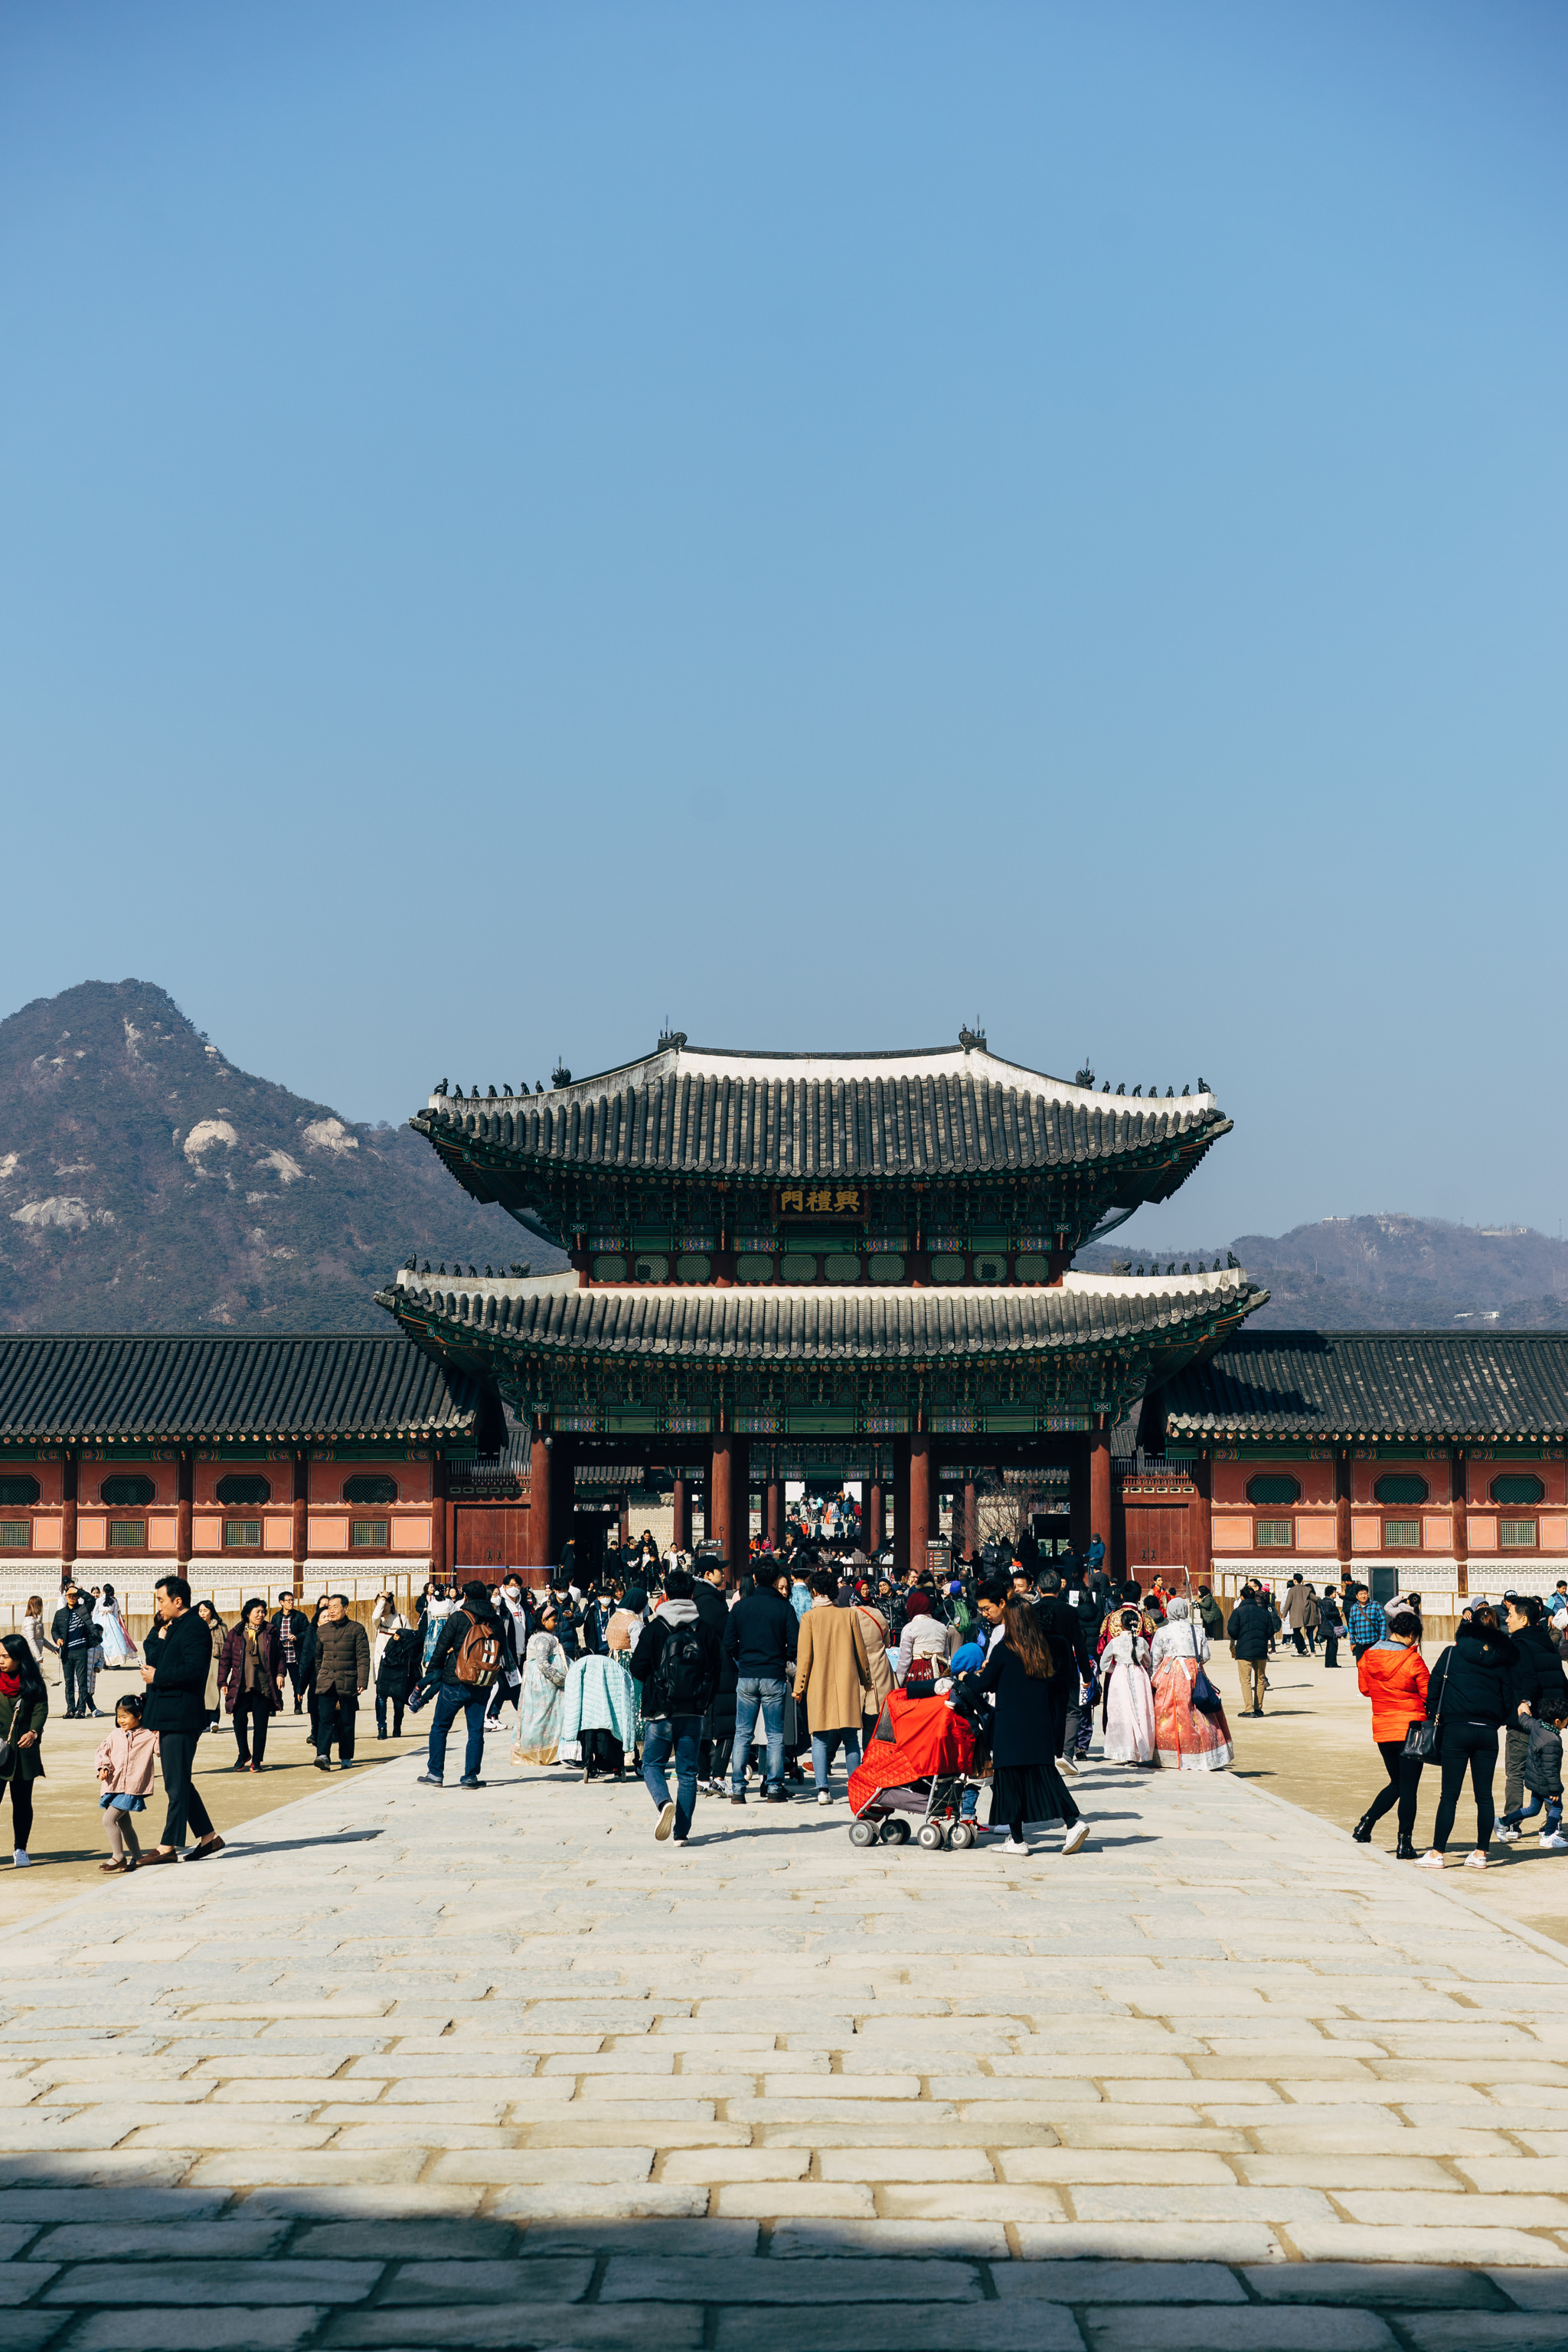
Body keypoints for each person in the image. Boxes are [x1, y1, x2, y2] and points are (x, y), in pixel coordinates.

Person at [967, 1596, 1089, 1856]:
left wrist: (967, 1676)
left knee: (1010, 1779)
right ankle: (1073, 1822)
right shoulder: (1041, 1648)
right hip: (1039, 1724)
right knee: (1045, 1776)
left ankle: (1017, 1840)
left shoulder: (1004, 1649)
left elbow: (984, 1684)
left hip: (1011, 1726)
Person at [1416, 1602, 1517, 1870]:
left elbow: (1434, 1689)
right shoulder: (1501, 1660)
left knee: (1449, 1794)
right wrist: (1496, 1721)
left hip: (1456, 1728)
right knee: (1484, 1795)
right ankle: (1481, 1853)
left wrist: (1436, 1716)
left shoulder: (1452, 1653)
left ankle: (1437, 1853)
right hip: (1486, 1732)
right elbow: (1509, 1699)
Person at [629, 1566, 723, 1843]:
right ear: (691, 1593)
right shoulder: (703, 1628)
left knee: (652, 1765)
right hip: (693, 1711)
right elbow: (717, 1669)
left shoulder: (655, 1627)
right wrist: (705, 1702)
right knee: (687, 1773)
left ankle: (662, 1803)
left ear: (666, 1594)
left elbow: (637, 1667)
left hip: (661, 1710)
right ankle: (681, 1832)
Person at [137, 1576, 224, 1865]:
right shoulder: (171, 1626)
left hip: (182, 1715)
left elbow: (194, 1670)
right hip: (167, 1714)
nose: (158, 1605)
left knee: (175, 1784)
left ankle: (168, 1845)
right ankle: (209, 1837)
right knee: (180, 1782)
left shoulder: (195, 1628)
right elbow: (155, 1655)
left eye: (161, 1600)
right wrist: (159, 1636)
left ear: (178, 1601)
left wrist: (158, 1677)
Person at [1353, 1606, 1429, 1857]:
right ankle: (1404, 1843)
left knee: (1397, 1783)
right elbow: (1429, 1694)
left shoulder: (1368, 1656)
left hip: (1384, 1727)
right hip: (1411, 1729)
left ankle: (1366, 1824)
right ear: (1411, 1634)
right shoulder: (1412, 1659)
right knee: (1408, 1788)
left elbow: (1365, 1689)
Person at [792, 1567, 873, 1805]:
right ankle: (855, 1788)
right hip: (847, 1684)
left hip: (819, 1684)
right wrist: (866, 1680)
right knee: (850, 1738)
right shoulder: (849, 1615)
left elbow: (804, 1657)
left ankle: (823, 1790)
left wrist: (799, 1687)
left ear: (814, 1591)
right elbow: (861, 1653)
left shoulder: (809, 1618)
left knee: (820, 1738)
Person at [724, 1560, 797, 1803]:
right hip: (773, 1674)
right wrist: (781, 1658)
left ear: (754, 1579)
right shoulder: (784, 1608)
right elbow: (795, 1644)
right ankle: (775, 1788)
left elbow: (728, 1642)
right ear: (777, 1580)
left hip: (746, 1673)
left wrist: (741, 1659)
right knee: (775, 1734)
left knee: (743, 1733)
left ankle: (738, 1789)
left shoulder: (741, 1607)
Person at [415, 1580, 501, 1789]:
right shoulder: (495, 1620)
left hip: (455, 1679)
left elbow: (442, 1645)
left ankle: (435, 1773)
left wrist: (432, 1672)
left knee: (440, 1727)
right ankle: (470, 1777)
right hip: (482, 1682)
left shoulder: (459, 1617)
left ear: (466, 1597)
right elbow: (502, 1649)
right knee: (475, 1731)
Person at [1498, 1596, 1567, 1835]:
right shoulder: (1547, 1641)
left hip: (1525, 1719)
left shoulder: (1518, 1643)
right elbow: (1559, 1678)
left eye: (1511, 1616)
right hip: (1549, 1721)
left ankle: (1512, 1824)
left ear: (1524, 1619)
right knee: (1548, 1771)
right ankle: (1553, 1824)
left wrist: (1525, 1701)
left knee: (1516, 1771)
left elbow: (1528, 1676)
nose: (1507, 1620)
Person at [1150, 1597, 1233, 1770]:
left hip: (1170, 1672)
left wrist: (1155, 1677)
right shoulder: (1197, 1630)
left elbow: (1155, 1658)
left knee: (1167, 1712)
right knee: (1199, 1713)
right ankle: (1201, 1754)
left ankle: (1169, 1755)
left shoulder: (1163, 1632)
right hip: (1193, 1672)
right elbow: (1205, 1655)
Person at [95, 1690, 158, 1873]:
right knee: (125, 1824)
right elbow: (102, 1752)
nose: (121, 1720)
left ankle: (118, 1857)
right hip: (113, 1786)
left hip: (132, 1787)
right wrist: (103, 1768)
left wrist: (159, 1732)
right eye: (118, 1716)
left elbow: (161, 1750)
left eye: (125, 1716)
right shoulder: (115, 1735)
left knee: (109, 1820)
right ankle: (138, 1857)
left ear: (139, 1716)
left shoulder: (149, 1735)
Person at [218, 1598, 283, 1772]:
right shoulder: (236, 1633)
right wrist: (223, 1681)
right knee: (239, 1721)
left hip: (263, 1685)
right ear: (248, 1614)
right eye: (258, 1612)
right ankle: (244, 1753)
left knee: (261, 1726)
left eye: (263, 1612)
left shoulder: (271, 1632)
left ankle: (257, 1760)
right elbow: (225, 1659)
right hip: (240, 1685)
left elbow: (280, 1655)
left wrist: (280, 1674)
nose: (261, 1615)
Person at [0, 1632, 47, 1867]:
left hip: (23, 1751)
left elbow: (41, 1708)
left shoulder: (32, 1681)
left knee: (22, 1803)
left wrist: (34, 1732)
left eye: (6, 1656)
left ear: (19, 1658)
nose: (1, 1660)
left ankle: (21, 1849)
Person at [310, 1594, 370, 1772]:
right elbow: (319, 1658)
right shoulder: (322, 1630)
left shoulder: (356, 1629)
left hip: (348, 1680)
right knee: (325, 1719)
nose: (331, 1610)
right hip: (327, 1681)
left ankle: (345, 1756)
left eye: (335, 1607)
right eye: (329, 1607)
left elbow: (363, 1656)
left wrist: (362, 1680)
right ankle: (323, 1755)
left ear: (346, 1608)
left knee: (346, 1721)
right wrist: (322, 1675)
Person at [512, 1603, 570, 1766]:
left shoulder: (542, 1636)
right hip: (544, 1683)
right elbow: (543, 1662)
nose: (556, 1623)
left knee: (546, 1717)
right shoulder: (543, 1639)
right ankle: (544, 1753)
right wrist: (559, 1679)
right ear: (544, 1621)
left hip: (542, 1681)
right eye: (553, 1620)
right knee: (544, 1717)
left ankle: (549, 1753)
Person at [1101, 1607, 1158, 1764]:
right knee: (1140, 1712)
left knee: (1122, 1714)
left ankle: (1126, 1750)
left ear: (1121, 1624)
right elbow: (1148, 1662)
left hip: (1120, 1678)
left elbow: (1103, 1665)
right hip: (1139, 1676)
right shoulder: (1142, 1642)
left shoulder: (1115, 1642)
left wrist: (1117, 1669)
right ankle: (1139, 1749)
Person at [1227, 1583, 1275, 1717]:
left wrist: (1238, 1637)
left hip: (1244, 1650)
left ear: (1242, 1598)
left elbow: (1232, 1631)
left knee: (1245, 1681)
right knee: (1260, 1680)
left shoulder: (1238, 1612)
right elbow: (1270, 1631)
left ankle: (1249, 1709)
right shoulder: (1264, 1612)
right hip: (1261, 1650)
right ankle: (1258, 1709)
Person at [51, 1586, 98, 1719]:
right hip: (66, 1652)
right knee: (69, 1682)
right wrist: (57, 1639)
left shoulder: (83, 1609)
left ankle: (81, 1709)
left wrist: (78, 1590)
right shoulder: (60, 1613)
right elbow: (54, 1630)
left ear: (77, 1597)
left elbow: (91, 1600)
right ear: (65, 1597)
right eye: (69, 1596)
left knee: (82, 1682)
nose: (71, 1598)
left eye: (74, 1596)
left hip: (80, 1650)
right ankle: (71, 1709)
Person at [375, 1618, 422, 1740]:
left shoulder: (401, 1619)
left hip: (395, 1667)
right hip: (386, 1666)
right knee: (386, 1699)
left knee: (395, 1702)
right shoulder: (379, 1620)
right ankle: (385, 1728)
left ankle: (391, 1728)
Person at [270, 1591, 310, 1714]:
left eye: (292, 1600)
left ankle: (298, 1706)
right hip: (280, 1655)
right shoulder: (276, 1617)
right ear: (281, 1602)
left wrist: (296, 1637)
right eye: (288, 1600)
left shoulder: (300, 1616)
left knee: (297, 1682)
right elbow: (272, 1633)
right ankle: (275, 1705)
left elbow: (307, 1631)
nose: (291, 1602)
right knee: (275, 1682)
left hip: (294, 1655)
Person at [195, 1602, 227, 1733]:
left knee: (213, 1691)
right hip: (199, 1661)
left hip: (215, 1660)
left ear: (211, 1612)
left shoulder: (221, 1627)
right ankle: (204, 1722)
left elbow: (227, 1645)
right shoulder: (195, 1626)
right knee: (201, 1692)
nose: (202, 1613)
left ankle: (214, 1720)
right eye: (200, 1611)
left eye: (205, 1610)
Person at [1348, 1586, 1387, 1662]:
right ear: (1356, 1596)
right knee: (1361, 1667)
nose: (1363, 1596)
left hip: (1374, 1642)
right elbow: (1351, 1625)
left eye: (1365, 1593)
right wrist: (1352, 1642)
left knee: (1374, 1667)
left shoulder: (1376, 1605)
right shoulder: (1354, 1608)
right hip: (1360, 1643)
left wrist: (1382, 1638)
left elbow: (1383, 1621)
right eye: (1361, 1594)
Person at [1283, 1576, 1314, 1656]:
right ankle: (1303, 1649)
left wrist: (1284, 1614)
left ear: (1295, 1580)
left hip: (1295, 1614)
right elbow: (1314, 1598)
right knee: (1298, 1632)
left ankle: (1301, 1650)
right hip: (1306, 1613)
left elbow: (1288, 1603)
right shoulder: (1307, 1589)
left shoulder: (1292, 1590)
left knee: (1296, 1632)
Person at [1319, 1584, 1344, 1670]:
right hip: (1330, 1626)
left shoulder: (1327, 1601)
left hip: (1328, 1626)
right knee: (1333, 1645)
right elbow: (1328, 1613)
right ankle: (1332, 1663)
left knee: (1330, 1645)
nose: (1335, 1594)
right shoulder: (1328, 1602)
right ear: (1330, 1593)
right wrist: (1338, 1614)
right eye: (1334, 1592)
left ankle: (1329, 1663)